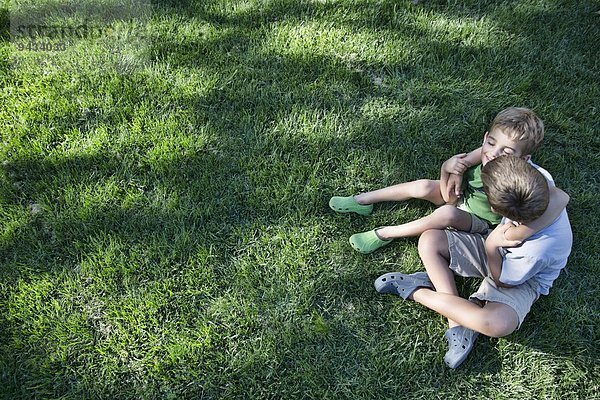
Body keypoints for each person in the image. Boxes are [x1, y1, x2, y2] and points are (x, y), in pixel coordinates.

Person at [373, 155, 572, 368]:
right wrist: (454, 168)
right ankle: (457, 323)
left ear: (495, 210)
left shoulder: (537, 250)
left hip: (522, 277)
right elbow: (562, 196)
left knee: (496, 324)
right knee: (430, 240)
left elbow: (504, 280)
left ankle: (417, 291)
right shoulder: (537, 179)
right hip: (498, 241)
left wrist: (492, 246)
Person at [329, 107, 564, 254]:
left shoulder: (523, 179)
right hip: (459, 198)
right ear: (486, 137)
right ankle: (362, 200)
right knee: (423, 186)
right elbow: (459, 166)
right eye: (491, 143)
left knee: (446, 215)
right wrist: (451, 168)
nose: (493, 153)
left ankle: (385, 233)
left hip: (481, 223)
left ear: (524, 158)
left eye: (507, 152)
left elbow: (547, 201)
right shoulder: (486, 151)